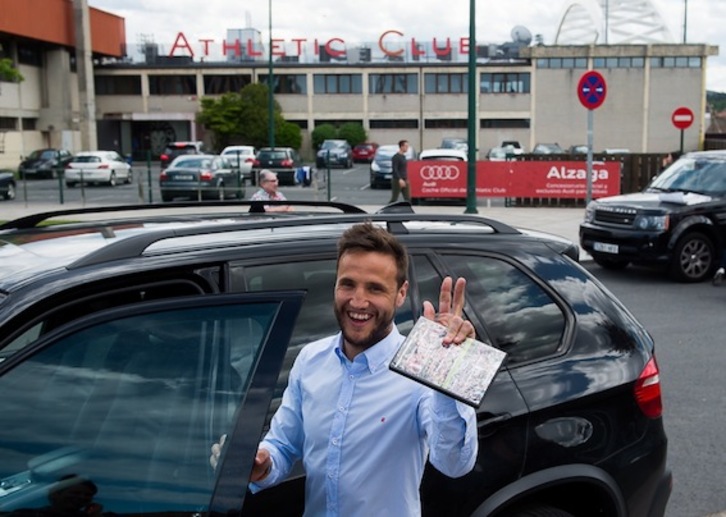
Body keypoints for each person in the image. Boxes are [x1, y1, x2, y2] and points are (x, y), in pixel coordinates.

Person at [211, 222, 477, 516]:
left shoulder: (420, 371)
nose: (358, 301)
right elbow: (283, 446)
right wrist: (261, 463)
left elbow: (454, 462)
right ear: (335, 284)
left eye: (375, 288)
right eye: (348, 284)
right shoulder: (311, 360)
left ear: (401, 294)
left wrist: (449, 371)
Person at [389, 139, 411, 203]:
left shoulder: (403, 156)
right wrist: (399, 179)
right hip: (397, 180)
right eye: (406, 146)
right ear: (401, 147)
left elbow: (403, 168)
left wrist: (406, 179)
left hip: (404, 178)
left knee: (407, 198)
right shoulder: (396, 157)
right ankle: (388, 210)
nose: (407, 148)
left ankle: (408, 211)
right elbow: (395, 169)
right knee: (394, 198)